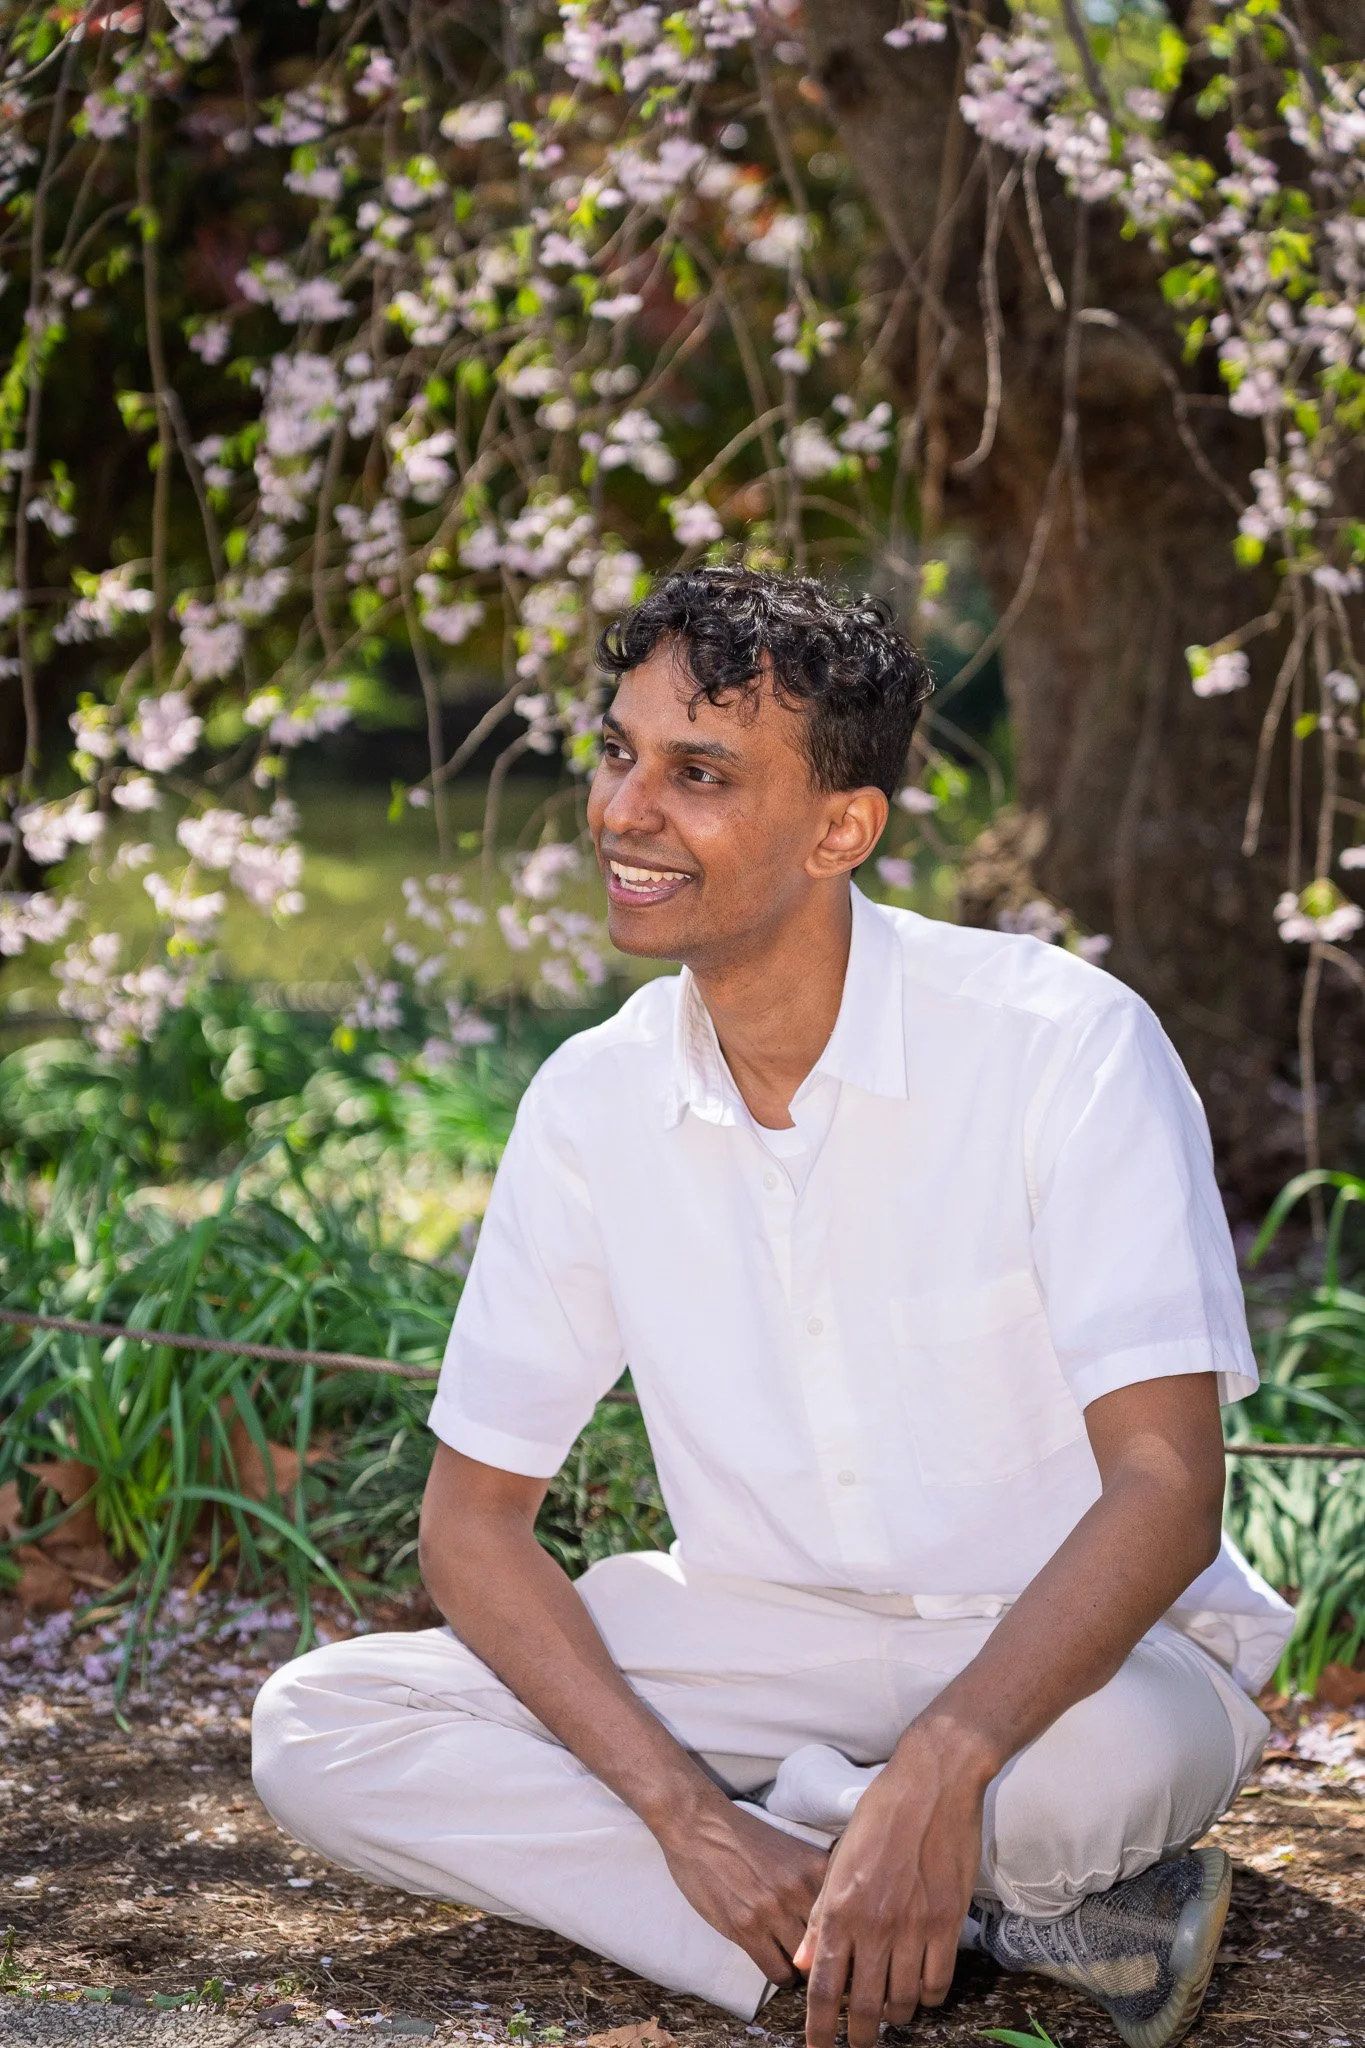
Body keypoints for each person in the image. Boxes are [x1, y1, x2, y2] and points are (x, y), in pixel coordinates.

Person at [253, 568, 1292, 2048]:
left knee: (1091, 1776)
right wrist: (679, 1807)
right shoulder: (591, 1104)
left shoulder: (1063, 1049)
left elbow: (1168, 1491)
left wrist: (943, 1761)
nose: (623, 811)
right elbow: (470, 1526)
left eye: (700, 774)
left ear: (841, 829)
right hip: (752, 1645)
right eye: (619, 752)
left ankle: (867, 1857)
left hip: (1070, 1660)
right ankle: (915, 1906)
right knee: (319, 1728)